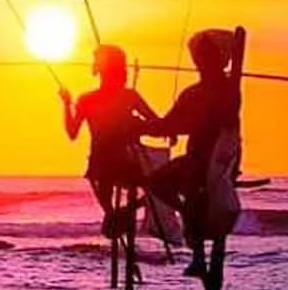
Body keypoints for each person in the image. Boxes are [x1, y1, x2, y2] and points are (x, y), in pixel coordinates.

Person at [142, 29, 241, 276]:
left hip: (219, 159)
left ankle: (198, 257)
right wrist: (143, 126)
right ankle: (186, 214)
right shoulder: (192, 93)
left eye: (208, 56)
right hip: (195, 157)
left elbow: (222, 120)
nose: (201, 62)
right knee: (156, 182)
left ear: (220, 59)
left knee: (195, 189)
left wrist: (170, 126)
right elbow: (169, 124)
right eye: (200, 56)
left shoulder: (228, 89)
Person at [60, 44, 159, 224]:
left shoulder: (93, 99)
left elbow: (72, 133)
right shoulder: (126, 96)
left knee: (149, 189)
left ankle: (116, 214)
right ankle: (118, 214)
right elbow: (155, 123)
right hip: (111, 163)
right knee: (153, 188)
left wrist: (67, 104)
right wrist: (67, 104)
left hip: (109, 163)